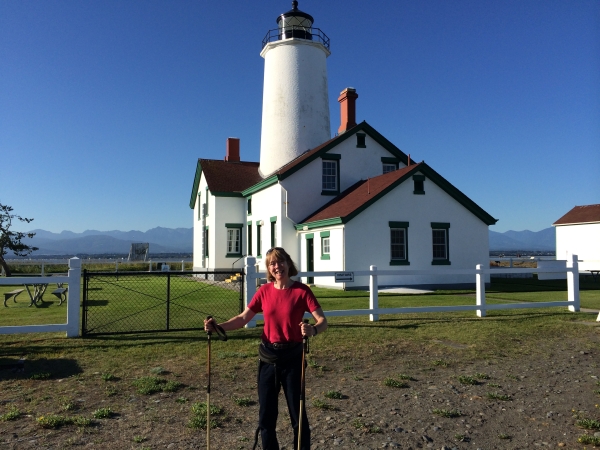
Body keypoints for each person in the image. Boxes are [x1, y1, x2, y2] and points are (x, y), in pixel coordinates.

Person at [204, 247, 327, 450]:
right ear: (269, 269)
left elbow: (322, 321)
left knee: (298, 415)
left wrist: (312, 330)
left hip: (293, 361)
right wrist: (218, 327)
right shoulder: (264, 291)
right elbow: (243, 318)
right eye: (272, 263)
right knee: (266, 418)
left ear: (288, 264)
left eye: (280, 262)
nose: (277, 267)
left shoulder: (302, 291)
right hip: (268, 360)